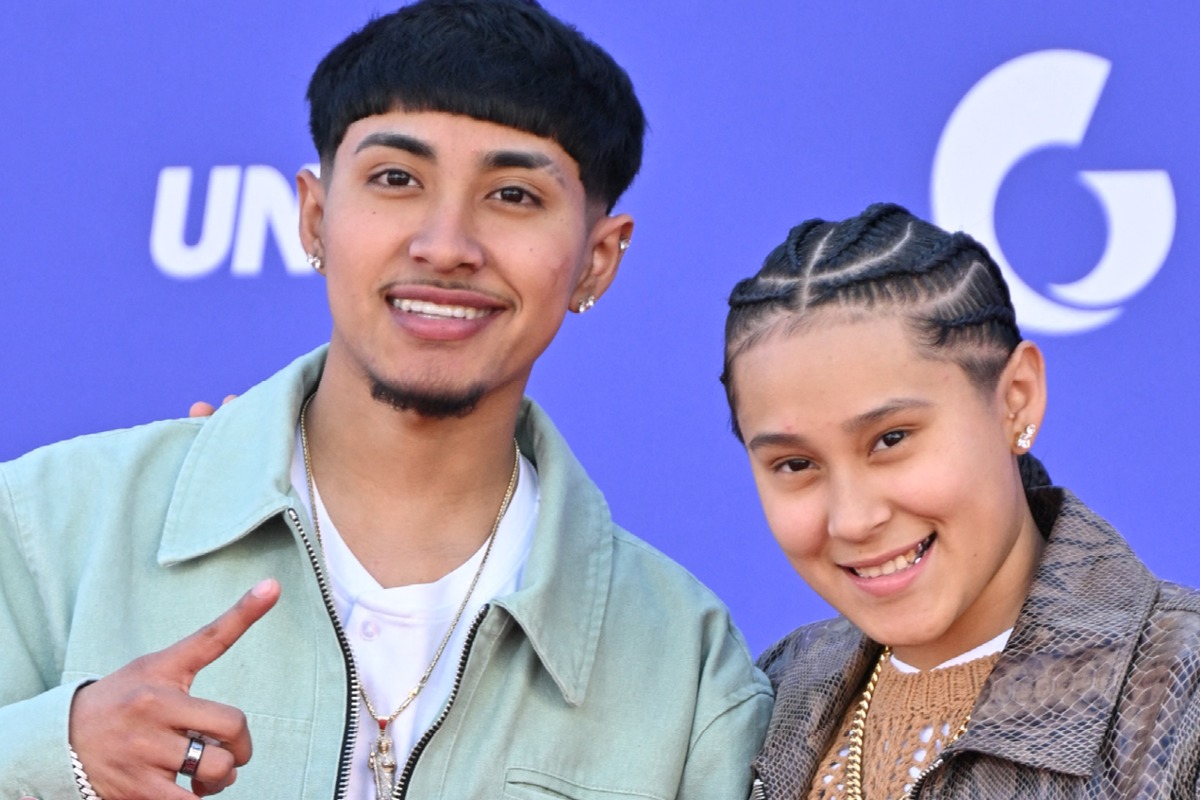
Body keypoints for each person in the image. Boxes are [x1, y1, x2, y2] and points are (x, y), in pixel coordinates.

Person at [0, 2, 772, 798]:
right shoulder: (47, 532)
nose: (445, 246)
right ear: (314, 216)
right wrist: (50, 755)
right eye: (396, 180)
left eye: (513, 196)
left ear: (597, 262)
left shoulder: (686, 672)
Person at [719, 203, 1200, 798]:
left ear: (1015, 401)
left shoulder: (1182, 696)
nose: (853, 518)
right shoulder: (769, 692)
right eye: (796, 465)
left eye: (890, 440)